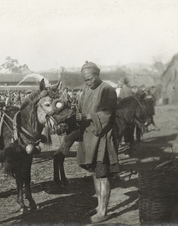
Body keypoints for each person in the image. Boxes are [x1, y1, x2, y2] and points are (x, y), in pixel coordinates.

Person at [75, 61, 119, 223]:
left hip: (102, 139)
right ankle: (100, 205)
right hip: (89, 138)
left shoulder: (107, 89)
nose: (87, 81)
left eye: (90, 78)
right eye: (85, 79)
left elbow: (107, 114)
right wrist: (78, 116)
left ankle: (103, 211)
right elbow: (81, 109)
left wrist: (87, 117)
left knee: (102, 174)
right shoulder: (86, 90)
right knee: (95, 173)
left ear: (97, 74)